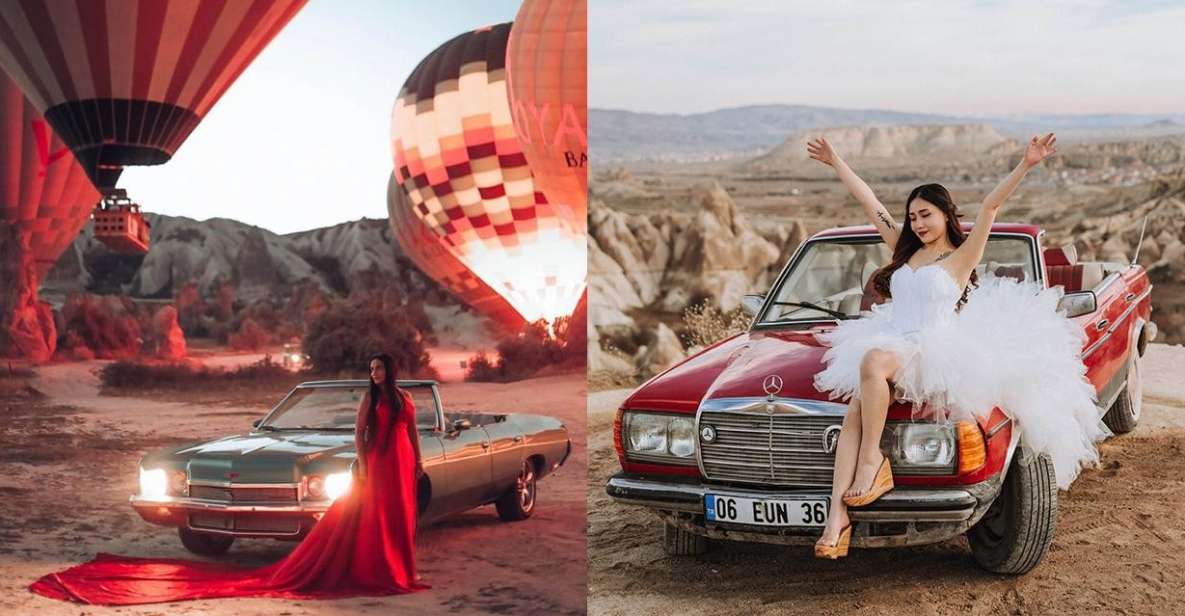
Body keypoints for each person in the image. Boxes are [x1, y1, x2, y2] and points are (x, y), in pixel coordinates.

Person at [805, 134, 1109, 559]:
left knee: (872, 363)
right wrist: (836, 161)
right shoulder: (903, 250)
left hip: (933, 344)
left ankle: (873, 463)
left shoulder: (961, 257)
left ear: (946, 215)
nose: (917, 224)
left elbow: (990, 206)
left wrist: (1026, 164)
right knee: (855, 409)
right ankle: (836, 522)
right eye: (912, 217)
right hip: (894, 336)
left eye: (926, 215)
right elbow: (869, 200)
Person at [28, 353, 430, 604]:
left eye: (379, 367)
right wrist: (361, 462)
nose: (374, 372)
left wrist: (417, 461)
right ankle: (384, 566)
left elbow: (410, 432)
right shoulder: (369, 398)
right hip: (375, 460)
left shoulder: (405, 400)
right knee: (378, 517)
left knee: (397, 514)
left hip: (399, 458)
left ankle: (396, 567)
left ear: (390, 370)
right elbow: (360, 433)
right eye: (371, 368)